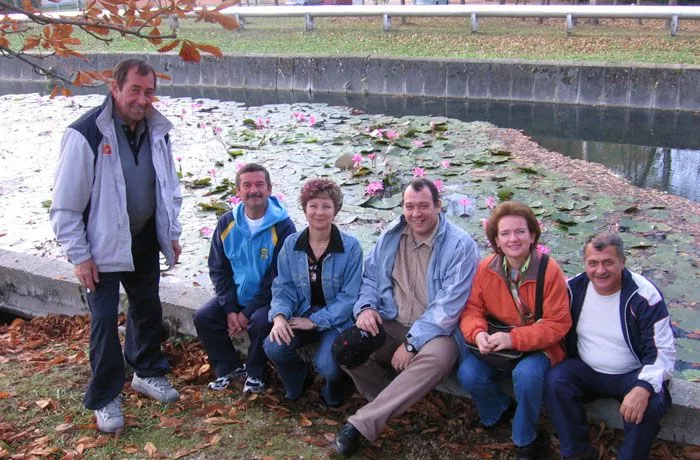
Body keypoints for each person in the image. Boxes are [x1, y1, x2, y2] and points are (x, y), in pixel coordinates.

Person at [50, 59, 183, 433]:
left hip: (143, 238)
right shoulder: (85, 134)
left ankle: (146, 371)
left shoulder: (158, 131)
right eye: (135, 90)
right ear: (115, 88)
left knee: (147, 308)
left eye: (149, 91)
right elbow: (64, 205)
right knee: (105, 322)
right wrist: (80, 256)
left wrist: (170, 232)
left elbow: (168, 187)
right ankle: (106, 396)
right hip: (101, 246)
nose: (142, 99)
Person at [332, 178, 479, 456]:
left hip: (439, 333)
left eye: (423, 206)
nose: (416, 213)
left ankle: (361, 424)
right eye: (409, 206)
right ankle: (388, 400)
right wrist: (366, 307)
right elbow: (370, 277)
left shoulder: (460, 245)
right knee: (346, 347)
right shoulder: (391, 235)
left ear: (438, 205)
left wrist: (412, 343)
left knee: (437, 360)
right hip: (393, 320)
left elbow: (448, 308)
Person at [545, 233, 675, 460]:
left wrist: (643, 387)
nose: (600, 270)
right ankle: (577, 452)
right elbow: (546, 319)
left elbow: (663, 352)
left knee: (650, 404)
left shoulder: (644, 297)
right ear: (584, 264)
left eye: (608, 262)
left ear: (622, 262)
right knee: (556, 381)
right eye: (592, 263)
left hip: (632, 373)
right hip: (588, 370)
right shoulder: (573, 289)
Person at [457, 201, 572, 460]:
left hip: (540, 345)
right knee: (468, 373)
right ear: (496, 240)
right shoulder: (486, 268)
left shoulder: (549, 271)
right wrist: (478, 334)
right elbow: (472, 309)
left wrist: (513, 338)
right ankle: (497, 410)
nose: (513, 239)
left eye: (520, 231)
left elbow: (558, 323)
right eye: (505, 233)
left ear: (532, 235)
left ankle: (525, 438)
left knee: (527, 376)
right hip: (500, 342)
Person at [193, 163, 296, 395]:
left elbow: (278, 278)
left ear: (269, 189)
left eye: (260, 184)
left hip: (269, 299)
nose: (254, 190)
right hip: (237, 296)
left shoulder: (284, 226)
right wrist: (230, 309)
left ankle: (257, 373)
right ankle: (228, 368)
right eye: (247, 185)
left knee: (259, 322)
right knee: (204, 317)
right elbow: (218, 269)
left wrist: (246, 313)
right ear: (238, 191)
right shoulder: (226, 223)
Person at [264, 179, 363, 406]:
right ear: (305, 208)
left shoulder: (351, 248)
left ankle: (334, 385)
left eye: (326, 206)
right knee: (273, 346)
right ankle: (298, 379)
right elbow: (283, 287)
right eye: (313, 206)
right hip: (302, 312)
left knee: (327, 365)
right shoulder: (290, 245)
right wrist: (279, 316)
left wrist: (316, 321)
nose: (319, 212)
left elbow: (349, 297)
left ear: (335, 210)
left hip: (337, 318)